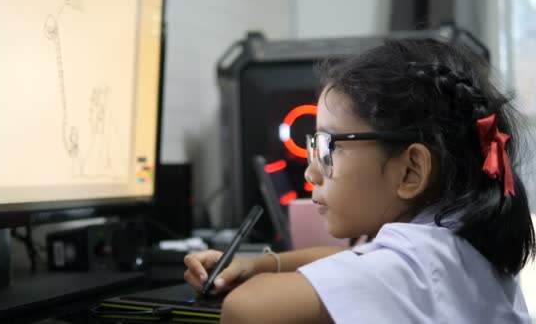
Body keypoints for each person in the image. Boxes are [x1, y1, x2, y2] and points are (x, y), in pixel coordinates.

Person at [183, 37, 535, 323]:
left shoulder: (410, 270)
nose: (310, 172)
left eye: (327, 146)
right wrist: (256, 264)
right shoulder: (459, 240)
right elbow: (356, 257)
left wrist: (254, 282)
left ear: (411, 171)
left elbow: (249, 309)